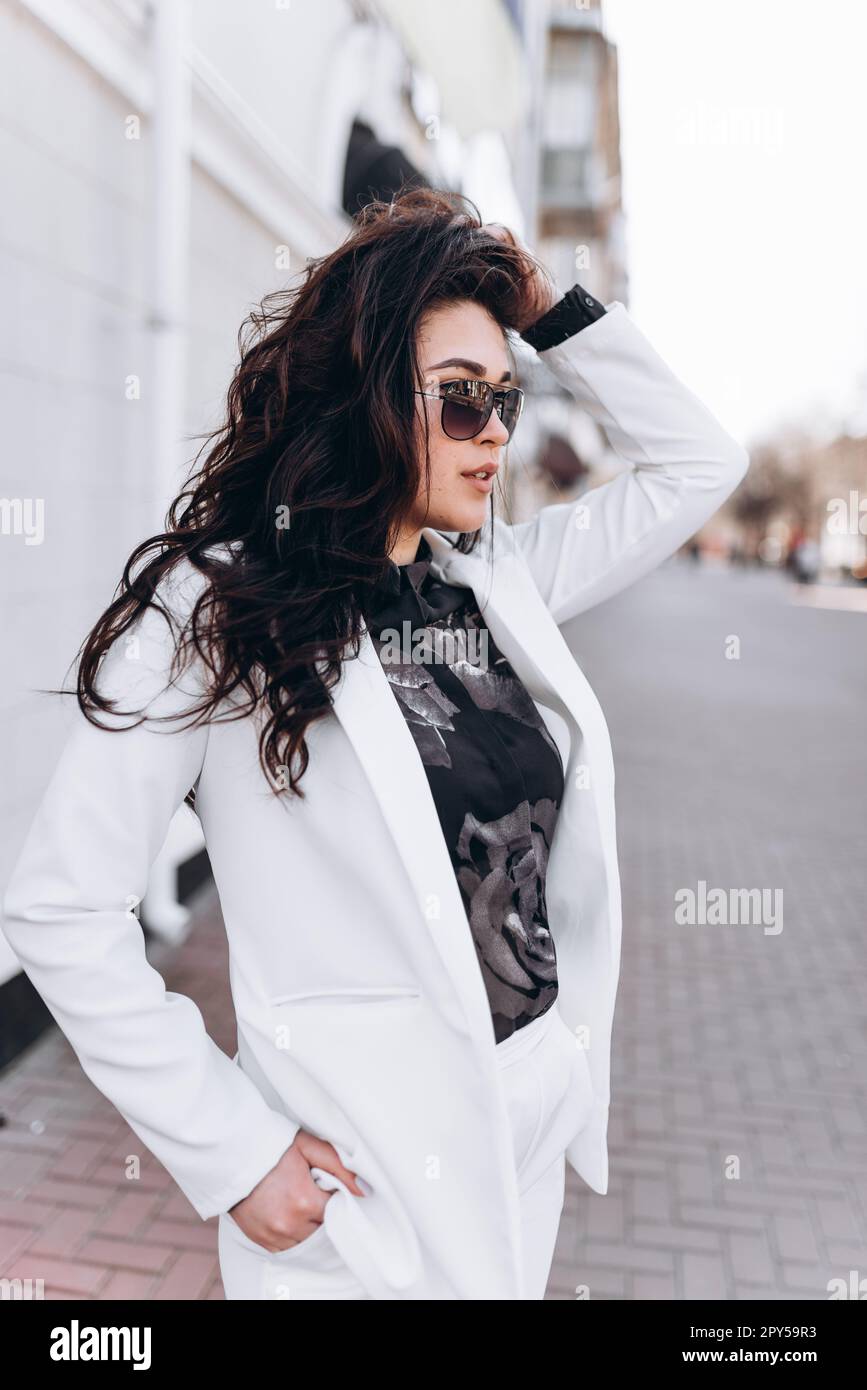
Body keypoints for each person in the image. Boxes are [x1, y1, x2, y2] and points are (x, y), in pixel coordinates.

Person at [1, 187, 749, 1300]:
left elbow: (700, 463)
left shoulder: (498, 585)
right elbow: (60, 906)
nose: (495, 430)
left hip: (520, 1134)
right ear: (363, 398)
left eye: (507, 398)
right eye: (459, 401)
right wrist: (231, 1150)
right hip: (359, 1181)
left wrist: (539, 301)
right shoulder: (218, 614)